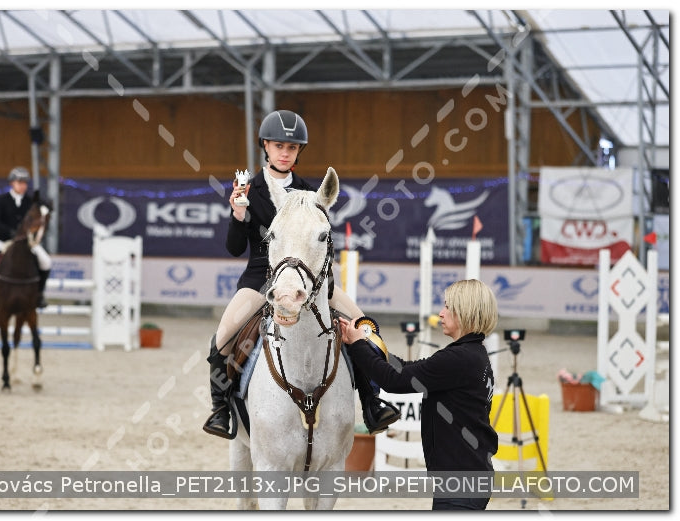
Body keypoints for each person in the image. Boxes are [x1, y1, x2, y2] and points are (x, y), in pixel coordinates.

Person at [202, 109, 400, 439]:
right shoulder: (248, 190)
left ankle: (371, 403)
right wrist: (238, 214)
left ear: (298, 152)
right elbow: (235, 248)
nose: (284, 152)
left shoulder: (311, 193)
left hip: (311, 278)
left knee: (365, 329)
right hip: (261, 277)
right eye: (278, 145)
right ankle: (221, 409)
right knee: (223, 337)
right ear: (265, 145)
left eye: (292, 148)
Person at [339, 279, 499, 510]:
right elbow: (406, 369)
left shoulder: (459, 359)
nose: (441, 313)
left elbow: (394, 381)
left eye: (447, 307)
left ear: (466, 312)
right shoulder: (472, 354)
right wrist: (370, 344)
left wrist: (357, 347)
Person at [0, 166, 52, 309]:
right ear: (12, 183)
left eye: (25, 183)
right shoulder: (2, 200)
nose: (23, 185)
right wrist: (9, 232)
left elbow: (37, 219)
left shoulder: (30, 202)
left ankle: (40, 294)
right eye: (19, 182)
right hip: (3, 239)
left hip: (26, 242)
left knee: (46, 261)